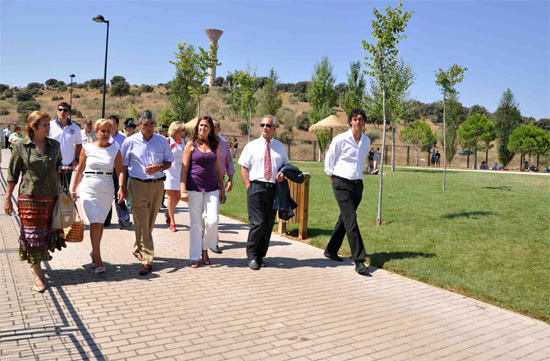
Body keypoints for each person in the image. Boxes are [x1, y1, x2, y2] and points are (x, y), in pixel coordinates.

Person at [4, 111, 65, 292]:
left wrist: (64, 168)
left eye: (48, 124)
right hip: (29, 198)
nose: (48, 128)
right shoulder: (20, 146)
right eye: (45, 125)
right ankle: (37, 273)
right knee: (33, 236)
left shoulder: (55, 145)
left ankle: (37, 265)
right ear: (33, 127)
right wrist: (7, 198)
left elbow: (58, 165)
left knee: (45, 235)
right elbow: (12, 175)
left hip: (51, 197)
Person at [69, 118, 127, 274]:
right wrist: (73, 188)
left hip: (107, 188)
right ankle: (99, 259)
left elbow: (120, 170)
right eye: (103, 131)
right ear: (96, 132)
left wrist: (121, 187)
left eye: (109, 131)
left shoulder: (115, 149)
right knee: (94, 222)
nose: (106, 134)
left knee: (100, 223)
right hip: (89, 188)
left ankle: (94, 253)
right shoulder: (87, 148)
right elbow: (80, 169)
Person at [120, 110, 173, 275]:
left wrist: (160, 167)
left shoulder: (162, 141)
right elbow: (122, 165)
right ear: (138, 125)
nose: (149, 128)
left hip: (157, 185)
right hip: (137, 185)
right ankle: (148, 260)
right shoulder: (129, 142)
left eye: (151, 124)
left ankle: (137, 248)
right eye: (145, 125)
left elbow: (169, 161)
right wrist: (122, 187)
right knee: (142, 223)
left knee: (148, 223)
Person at [238, 115, 289, 270]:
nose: (265, 127)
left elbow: (286, 165)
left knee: (267, 225)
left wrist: (282, 174)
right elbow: (244, 167)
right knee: (258, 223)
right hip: (256, 188)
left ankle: (261, 256)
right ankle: (252, 256)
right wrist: (249, 187)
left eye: (268, 125)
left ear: (275, 128)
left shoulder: (280, 147)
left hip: (273, 189)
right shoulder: (251, 146)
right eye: (262, 125)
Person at [324, 108, 371, 275]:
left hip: (358, 184)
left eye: (360, 119)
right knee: (351, 220)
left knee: (345, 219)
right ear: (350, 121)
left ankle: (331, 250)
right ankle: (359, 260)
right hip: (341, 183)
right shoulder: (341, 139)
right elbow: (329, 160)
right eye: (354, 119)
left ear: (364, 122)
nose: (357, 122)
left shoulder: (366, 141)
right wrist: (334, 179)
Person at [181, 116, 225, 268]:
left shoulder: (215, 145)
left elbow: (218, 168)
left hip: (212, 188)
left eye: (206, 126)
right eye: (200, 126)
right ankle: (194, 256)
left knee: (213, 220)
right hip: (194, 188)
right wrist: (183, 189)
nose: (203, 128)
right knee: (195, 224)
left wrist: (222, 187)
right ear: (197, 127)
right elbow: (184, 168)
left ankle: (204, 247)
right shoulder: (191, 145)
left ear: (211, 129)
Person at [210, 119, 235, 253]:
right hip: (200, 182)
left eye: (214, 127)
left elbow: (229, 163)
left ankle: (213, 241)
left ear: (219, 129)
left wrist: (230, 180)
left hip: (218, 181)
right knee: (203, 215)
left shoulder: (224, 145)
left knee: (213, 215)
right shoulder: (200, 143)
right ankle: (206, 239)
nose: (211, 128)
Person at [103, 115, 132, 229]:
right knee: (107, 196)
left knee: (119, 194)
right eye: (109, 123)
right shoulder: (105, 138)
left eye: (113, 123)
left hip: (119, 170)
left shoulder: (123, 140)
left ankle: (123, 219)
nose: (111, 126)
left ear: (118, 125)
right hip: (106, 171)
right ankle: (105, 219)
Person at [49, 102, 82, 191]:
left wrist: (76, 160)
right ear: (57, 111)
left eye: (65, 110)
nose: (62, 112)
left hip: (67, 167)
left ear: (69, 113)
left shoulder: (75, 128)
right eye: (60, 110)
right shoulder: (49, 125)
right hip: (51, 165)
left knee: (64, 194)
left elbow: (79, 145)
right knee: (50, 192)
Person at [164, 121, 186, 232]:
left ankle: (168, 211)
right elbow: (163, 155)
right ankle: (172, 222)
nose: (184, 132)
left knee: (178, 196)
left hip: (180, 171)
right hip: (170, 171)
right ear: (176, 131)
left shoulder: (183, 141)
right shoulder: (167, 140)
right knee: (171, 196)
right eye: (182, 130)